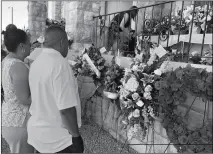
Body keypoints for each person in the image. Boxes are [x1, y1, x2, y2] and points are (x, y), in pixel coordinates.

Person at [27, 25, 84, 153]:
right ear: (63, 42)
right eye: (67, 44)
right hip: (57, 139)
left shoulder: (36, 61)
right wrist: (76, 136)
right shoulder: (60, 63)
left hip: (38, 133)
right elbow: (66, 108)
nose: (67, 48)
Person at [1, 24, 34, 153]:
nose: (31, 46)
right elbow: (25, 99)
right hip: (19, 123)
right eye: (29, 44)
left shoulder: (6, 61)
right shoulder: (18, 66)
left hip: (9, 117)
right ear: (21, 46)